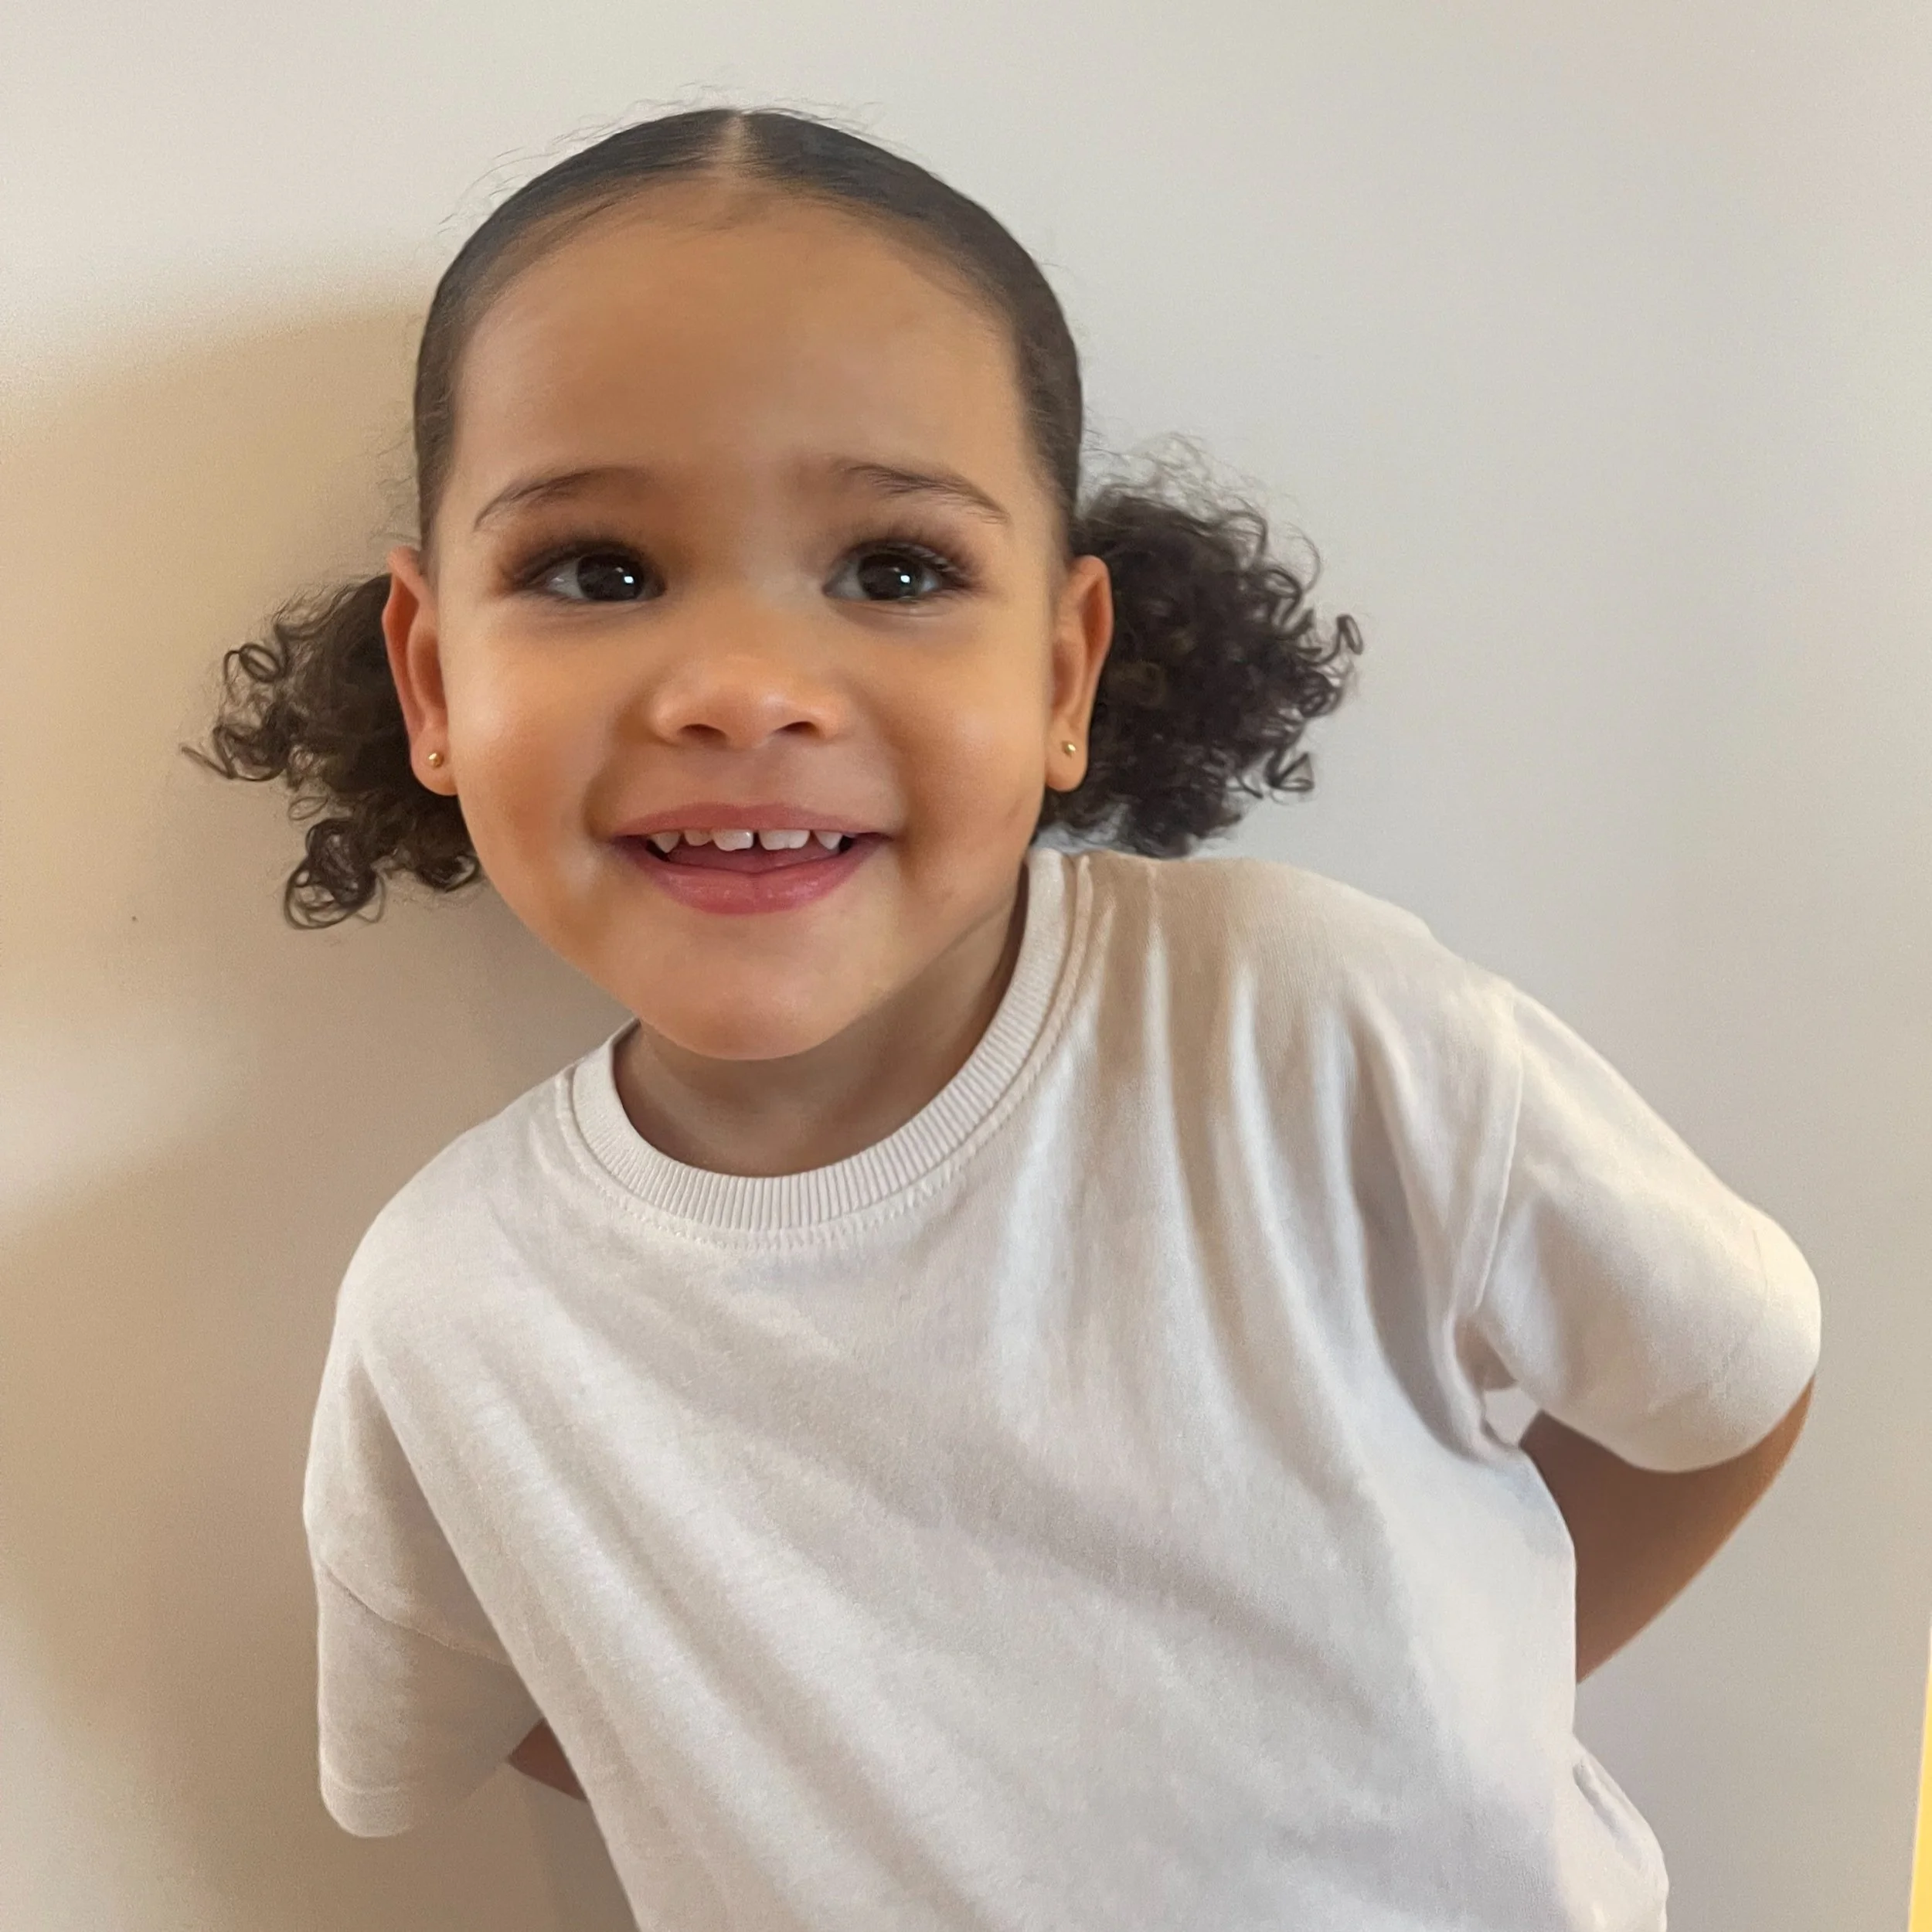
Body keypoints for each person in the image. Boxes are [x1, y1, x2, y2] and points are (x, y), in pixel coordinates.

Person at [183, 104, 1819, 1931]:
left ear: (1059, 668)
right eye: (598, 569)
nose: (743, 689)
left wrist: (1438, 1710)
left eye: (894, 569)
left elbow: (1723, 1382)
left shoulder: (1301, 1024)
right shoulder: (452, 1307)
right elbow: (516, 1715)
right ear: (431, 679)